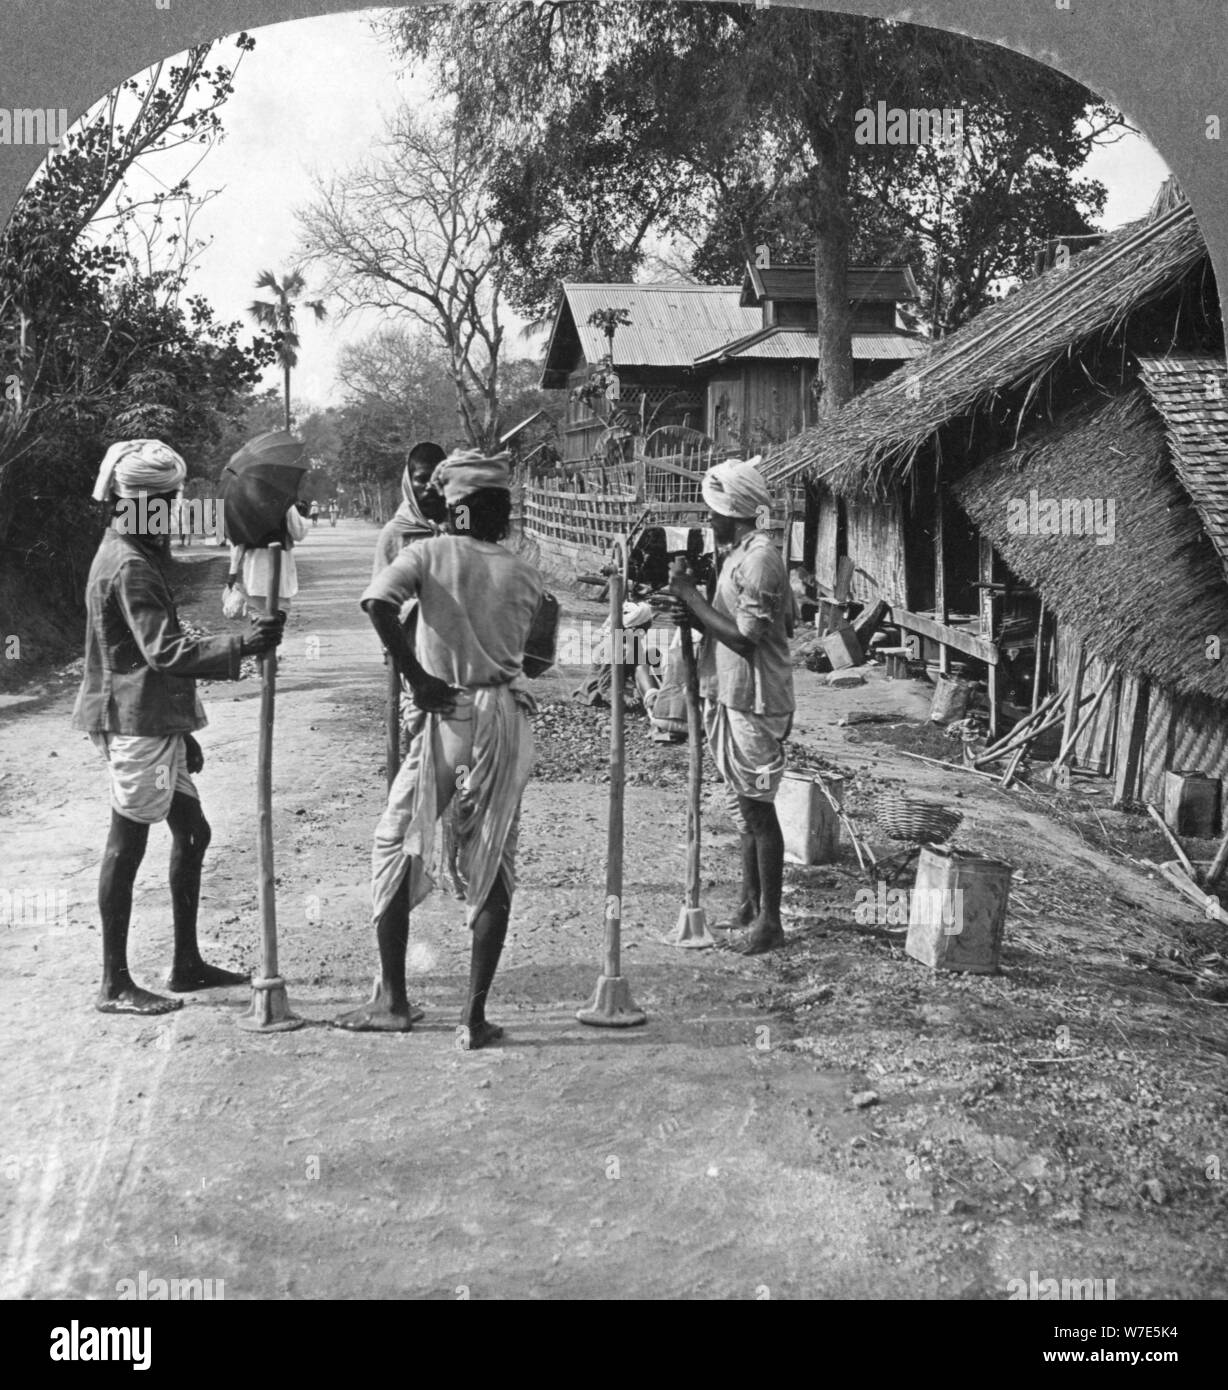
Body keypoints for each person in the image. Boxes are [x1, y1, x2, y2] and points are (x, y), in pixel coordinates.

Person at [335, 448, 543, 1049]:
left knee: (398, 844)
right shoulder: (525, 573)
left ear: (455, 511)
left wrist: (418, 677)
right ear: (502, 513)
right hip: (503, 717)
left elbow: (376, 603)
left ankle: (394, 1000)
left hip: (447, 712)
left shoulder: (426, 552)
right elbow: (537, 654)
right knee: (494, 857)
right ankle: (473, 1018)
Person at [73, 439, 285, 1015]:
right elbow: (163, 652)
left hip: (151, 717)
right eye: (167, 501)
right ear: (139, 503)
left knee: (193, 832)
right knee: (127, 840)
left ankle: (186, 964)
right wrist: (241, 644)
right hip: (134, 721)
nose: (173, 511)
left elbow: (148, 660)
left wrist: (181, 729)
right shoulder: (131, 565)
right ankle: (114, 983)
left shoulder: (131, 553)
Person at [669, 456, 795, 955]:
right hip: (734, 693)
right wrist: (693, 602)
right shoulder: (740, 552)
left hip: (757, 701)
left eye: (713, 511)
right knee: (747, 810)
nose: (709, 519)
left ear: (734, 511)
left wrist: (690, 599)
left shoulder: (761, 558)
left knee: (760, 811)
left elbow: (746, 639)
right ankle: (749, 903)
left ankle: (771, 921)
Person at [223, 433, 310, 618]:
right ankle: (272, 642)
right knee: (279, 609)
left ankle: (261, 643)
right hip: (280, 562)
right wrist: (305, 519)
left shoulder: (241, 504)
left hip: (254, 566)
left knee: (256, 610)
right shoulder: (284, 503)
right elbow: (299, 533)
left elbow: (237, 545)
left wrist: (232, 575)